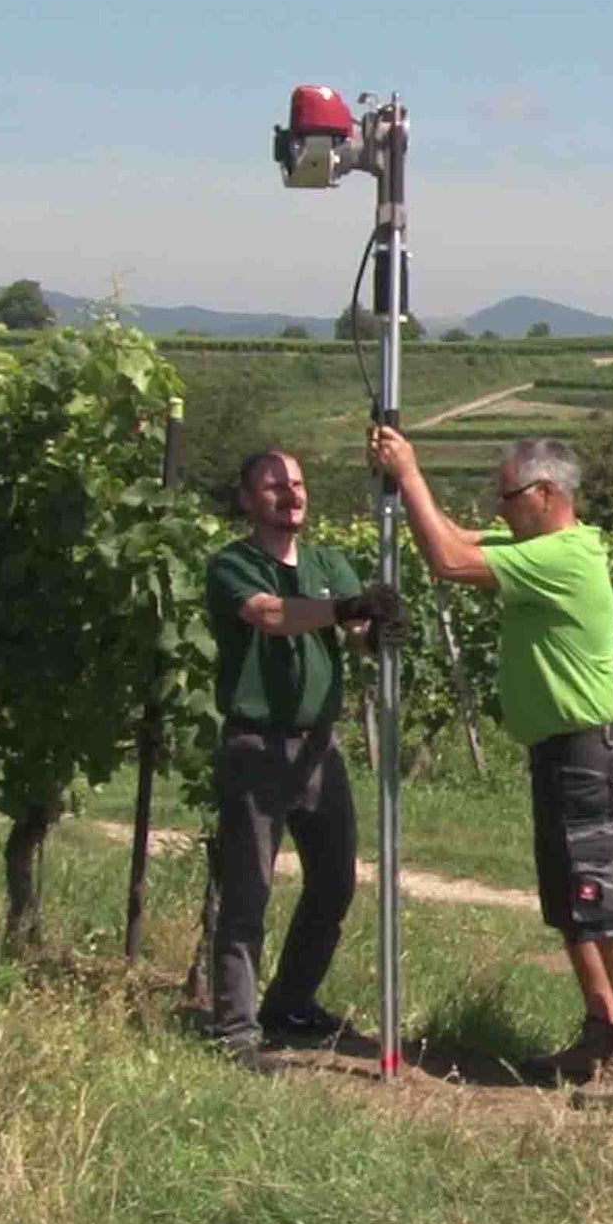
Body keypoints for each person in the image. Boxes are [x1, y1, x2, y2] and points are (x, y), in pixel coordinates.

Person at [368, 427, 613, 1101]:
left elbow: (446, 560)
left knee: (603, 907)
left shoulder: (565, 557)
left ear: (545, 494)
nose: (498, 512)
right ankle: (601, 1031)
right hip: (560, 753)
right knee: (569, 908)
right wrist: (403, 480)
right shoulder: (538, 545)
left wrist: (410, 470)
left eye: (506, 499)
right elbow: (454, 535)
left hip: (590, 754)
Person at [204, 448, 404, 1071]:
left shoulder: (325, 563)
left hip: (320, 747)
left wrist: (378, 633)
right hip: (256, 747)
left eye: (296, 484)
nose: (290, 495)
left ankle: (290, 1003)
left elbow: (353, 632)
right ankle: (234, 1029)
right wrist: (347, 608)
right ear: (246, 499)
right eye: (273, 486)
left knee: (334, 880)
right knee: (248, 889)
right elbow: (269, 616)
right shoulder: (234, 565)